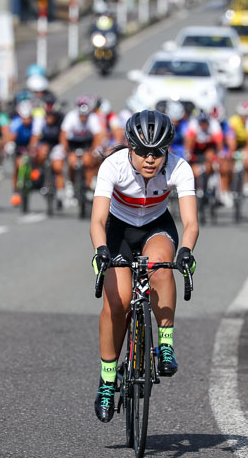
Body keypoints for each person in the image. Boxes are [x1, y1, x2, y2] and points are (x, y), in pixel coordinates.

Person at [90, 110, 198, 423]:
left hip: (156, 226)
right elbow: (97, 219)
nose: (150, 159)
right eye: (142, 151)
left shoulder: (180, 167)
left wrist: (187, 250)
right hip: (119, 230)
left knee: (160, 267)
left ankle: (165, 345)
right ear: (130, 147)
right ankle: (108, 380)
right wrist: (100, 250)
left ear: (167, 151)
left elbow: (190, 222)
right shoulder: (113, 165)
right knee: (119, 301)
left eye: (158, 152)